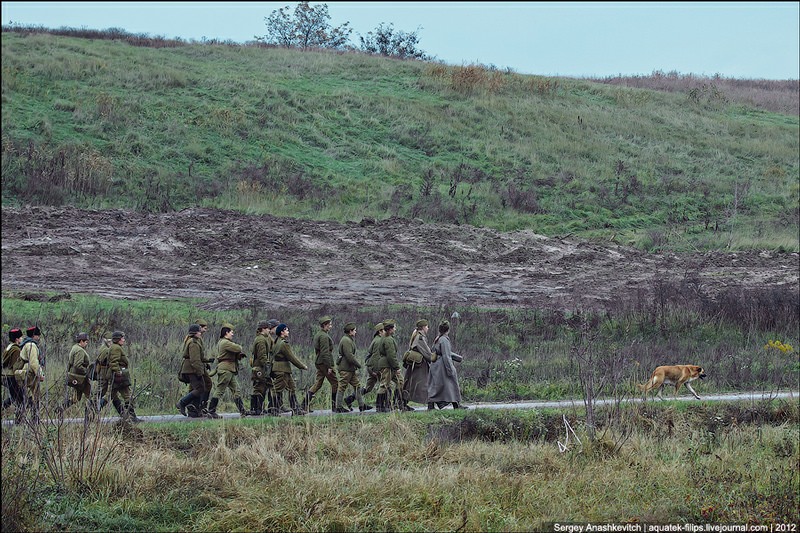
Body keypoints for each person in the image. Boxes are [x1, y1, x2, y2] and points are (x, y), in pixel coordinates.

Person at [207, 324, 248, 417]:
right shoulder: (225, 343)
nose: (232, 334)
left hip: (229, 369)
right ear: (226, 333)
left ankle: (243, 411)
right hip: (226, 369)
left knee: (236, 390)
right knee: (220, 390)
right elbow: (238, 348)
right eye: (231, 332)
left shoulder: (222, 342)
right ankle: (211, 411)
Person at [428, 320, 468, 410]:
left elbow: (440, 351)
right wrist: (450, 369)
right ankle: (456, 405)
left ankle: (432, 406)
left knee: (438, 387)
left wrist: (458, 358)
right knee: (452, 384)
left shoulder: (438, 339)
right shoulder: (444, 340)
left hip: (437, 366)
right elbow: (446, 355)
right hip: (442, 366)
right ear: (448, 330)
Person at [334, 322, 372, 413]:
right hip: (346, 369)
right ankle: (338, 407)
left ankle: (361, 405)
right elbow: (349, 356)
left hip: (350, 369)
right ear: (350, 331)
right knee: (342, 387)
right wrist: (358, 364)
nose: (356, 332)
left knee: (357, 386)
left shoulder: (348, 339)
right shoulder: (346, 341)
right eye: (354, 330)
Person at [271, 323, 309, 415]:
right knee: (277, 389)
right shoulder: (284, 344)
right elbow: (292, 358)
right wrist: (302, 366)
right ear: (282, 332)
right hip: (282, 370)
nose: (288, 332)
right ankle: (274, 409)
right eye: (287, 330)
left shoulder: (276, 342)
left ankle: (295, 409)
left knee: (292, 387)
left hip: (281, 369)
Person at [345, 321, 384, 410]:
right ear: (380, 331)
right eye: (384, 330)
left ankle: (350, 399)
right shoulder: (379, 341)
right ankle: (384, 405)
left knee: (368, 388)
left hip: (371, 367)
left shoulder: (376, 339)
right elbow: (376, 357)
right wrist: (375, 370)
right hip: (374, 367)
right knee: (385, 385)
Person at [303, 316, 337, 412]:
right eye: (329, 324)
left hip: (320, 362)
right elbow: (325, 352)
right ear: (325, 325)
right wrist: (329, 366)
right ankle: (335, 407)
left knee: (318, 383)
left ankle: (304, 405)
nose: (331, 326)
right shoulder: (324, 336)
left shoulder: (319, 334)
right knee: (335, 383)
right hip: (324, 363)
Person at [177, 324, 210, 418]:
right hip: (191, 369)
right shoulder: (193, 343)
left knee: (200, 388)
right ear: (195, 333)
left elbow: (199, 357)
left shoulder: (193, 341)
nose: (201, 333)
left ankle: (195, 411)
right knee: (200, 389)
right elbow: (195, 360)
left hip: (191, 369)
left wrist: (207, 360)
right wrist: (199, 372)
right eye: (199, 331)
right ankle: (182, 403)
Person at [108, 330, 141, 422]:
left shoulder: (115, 347)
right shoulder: (116, 348)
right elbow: (113, 362)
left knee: (111, 395)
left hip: (117, 375)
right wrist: (118, 372)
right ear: (118, 339)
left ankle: (125, 414)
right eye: (122, 338)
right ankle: (132, 417)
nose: (124, 340)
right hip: (120, 376)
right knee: (126, 395)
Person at [248, 319, 279, 416]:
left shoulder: (261, 338)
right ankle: (257, 409)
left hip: (259, 367)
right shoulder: (261, 340)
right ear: (263, 329)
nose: (269, 330)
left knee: (261, 387)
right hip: (260, 368)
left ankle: (257, 409)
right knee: (260, 388)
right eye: (267, 328)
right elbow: (262, 356)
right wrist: (268, 366)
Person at [403, 319, 435, 409]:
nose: (428, 328)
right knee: (424, 385)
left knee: (411, 385)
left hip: (416, 365)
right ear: (423, 327)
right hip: (420, 367)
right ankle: (430, 405)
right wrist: (434, 358)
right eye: (427, 326)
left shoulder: (417, 335)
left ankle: (402, 403)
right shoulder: (420, 337)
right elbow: (427, 353)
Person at [60, 332, 93, 416]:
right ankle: (89, 416)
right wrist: (87, 372)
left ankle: (60, 409)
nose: (87, 343)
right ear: (81, 341)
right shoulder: (80, 350)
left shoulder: (75, 348)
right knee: (90, 396)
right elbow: (77, 365)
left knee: (76, 398)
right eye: (86, 341)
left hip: (76, 377)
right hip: (81, 377)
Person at [374, 320, 404, 413]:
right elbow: (391, 356)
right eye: (394, 327)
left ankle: (394, 404)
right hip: (388, 365)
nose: (395, 329)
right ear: (390, 329)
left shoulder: (385, 337)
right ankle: (380, 406)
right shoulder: (388, 339)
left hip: (388, 364)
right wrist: (397, 367)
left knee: (400, 382)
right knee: (384, 385)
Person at [17, 326, 45, 422]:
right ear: (34, 336)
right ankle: (35, 420)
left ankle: (23, 417)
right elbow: (33, 362)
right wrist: (40, 374)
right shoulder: (31, 345)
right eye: (37, 335)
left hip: (26, 371)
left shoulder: (26, 344)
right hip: (30, 373)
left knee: (26, 396)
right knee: (35, 397)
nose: (39, 337)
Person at [2, 328, 25, 422]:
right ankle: (19, 420)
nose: (22, 339)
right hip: (11, 376)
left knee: (14, 397)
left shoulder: (9, 347)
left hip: (5, 375)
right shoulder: (16, 349)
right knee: (20, 399)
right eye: (21, 337)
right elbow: (15, 366)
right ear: (17, 339)